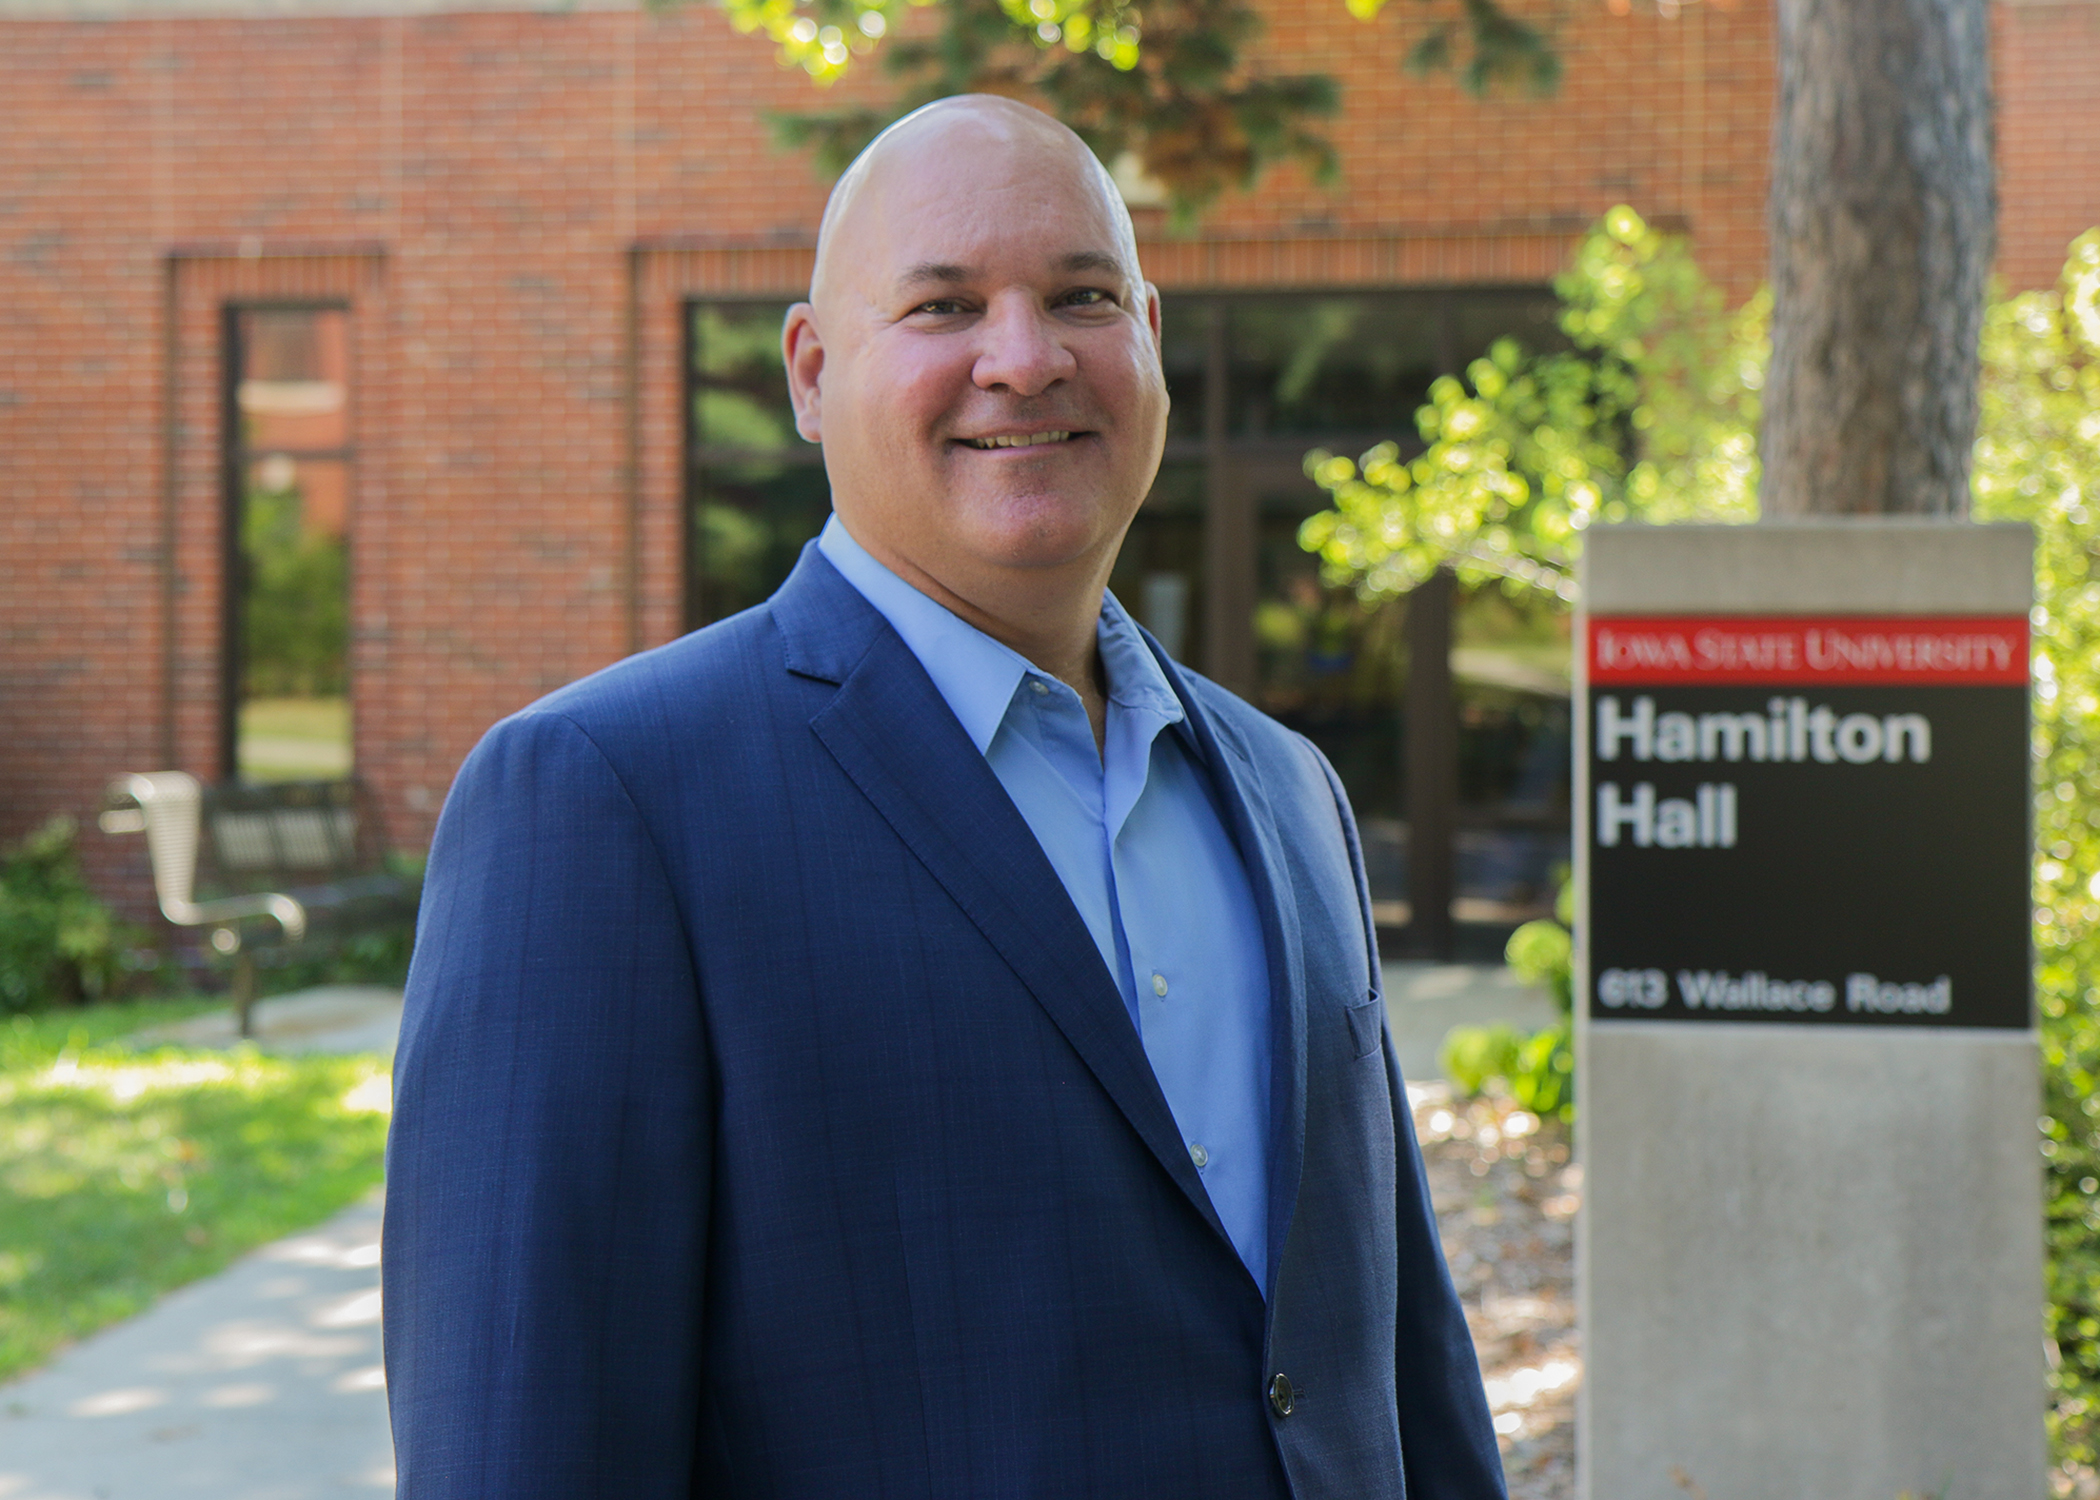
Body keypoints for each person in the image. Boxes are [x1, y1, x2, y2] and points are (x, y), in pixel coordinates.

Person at [382, 94, 1505, 1499]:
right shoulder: (606, 803)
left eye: (1081, 296)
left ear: (1149, 334)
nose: (1024, 359)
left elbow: (1396, 1366)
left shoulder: (1290, 792)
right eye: (945, 306)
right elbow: (525, 1449)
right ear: (809, 369)